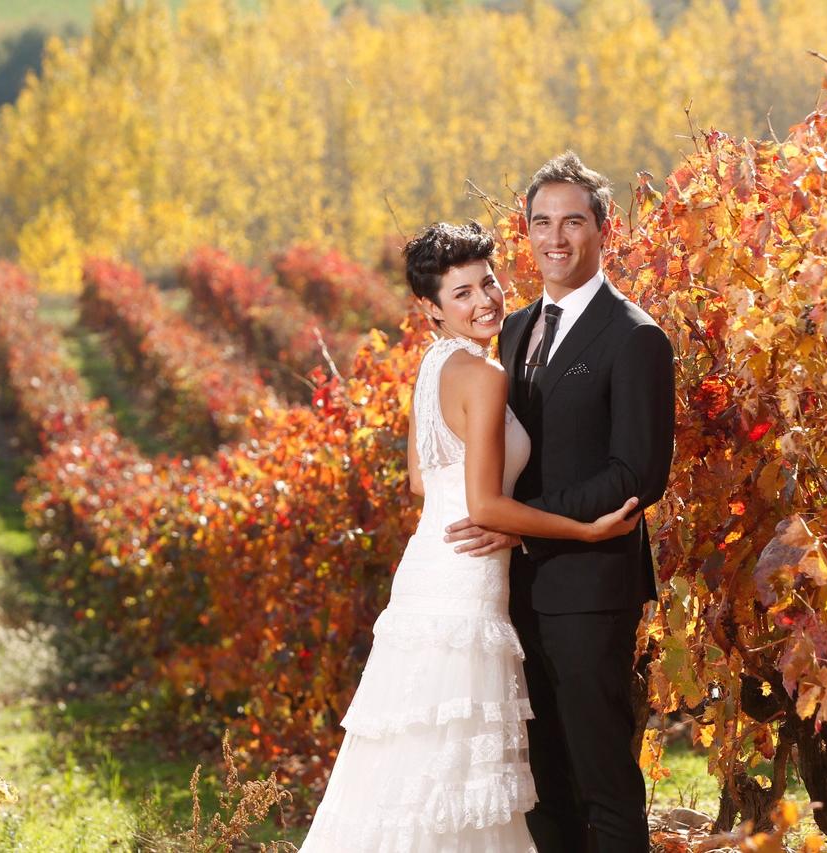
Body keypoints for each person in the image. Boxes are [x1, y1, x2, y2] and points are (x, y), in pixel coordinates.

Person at [299, 220, 641, 852]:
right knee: (453, 773)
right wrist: (583, 530)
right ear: (430, 309)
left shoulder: (434, 368)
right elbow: (483, 500)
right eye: (463, 294)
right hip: (463, 585)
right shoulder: (484, 378)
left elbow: (422, 483)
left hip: (431, 567)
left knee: (416, 766)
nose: (486, 301)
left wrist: (492, 516)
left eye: (489, 282)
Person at [445, 152, 676, 853]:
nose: (555, 237)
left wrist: (527, 526)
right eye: (541, 221)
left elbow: (637, 472)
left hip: (589, 587)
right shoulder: (511, 330)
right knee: (539, 783)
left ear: (603, 229)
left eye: (573, 220)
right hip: (508, 592)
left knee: (601, 777)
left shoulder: (636, 336)